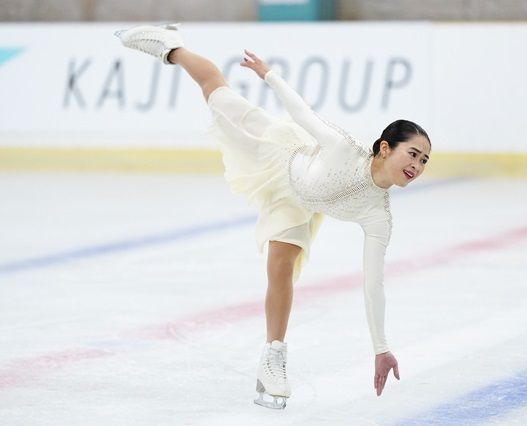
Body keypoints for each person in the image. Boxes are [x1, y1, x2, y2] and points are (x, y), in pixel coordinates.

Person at [114, 23, 431, 409]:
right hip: (278, 153)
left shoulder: (379, 217)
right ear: (385, 148)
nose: (418, 164)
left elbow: (373, 285)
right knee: (216, 90)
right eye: (412, 154)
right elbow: (301, 112)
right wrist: (269, 75)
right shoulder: (345, 148)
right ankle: (172, 45)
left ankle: (273, 358)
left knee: (280, 268)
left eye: (424, 160)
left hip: (298, 203)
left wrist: (381, 348)